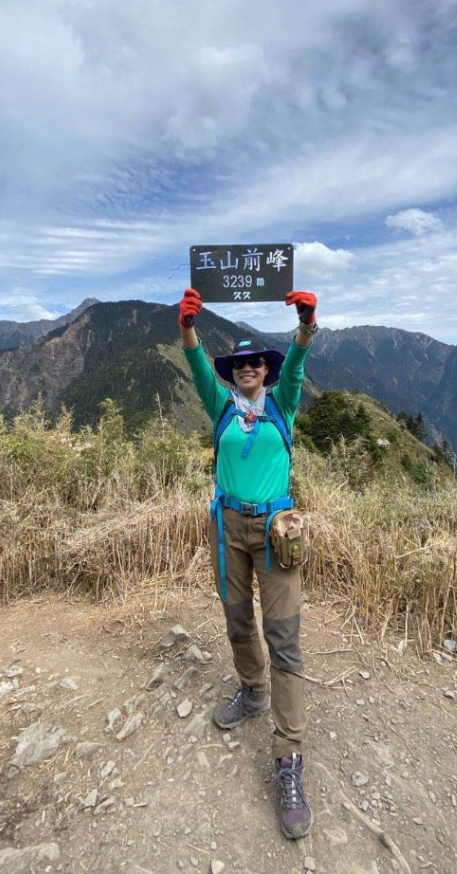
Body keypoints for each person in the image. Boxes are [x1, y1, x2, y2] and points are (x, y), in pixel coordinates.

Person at [178, 286, 318, 840]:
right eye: (239, 365)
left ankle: (289, 758)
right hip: (227, 527)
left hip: (275, 529)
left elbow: (301, 359)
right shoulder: (221, 407)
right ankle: (253, 690)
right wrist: (187, 328)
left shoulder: (283, 403)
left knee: (282, 635)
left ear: (266, 369)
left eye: (256, 362)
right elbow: (193, 365)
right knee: (238, 620)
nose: (247, 371)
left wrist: (306, 324)